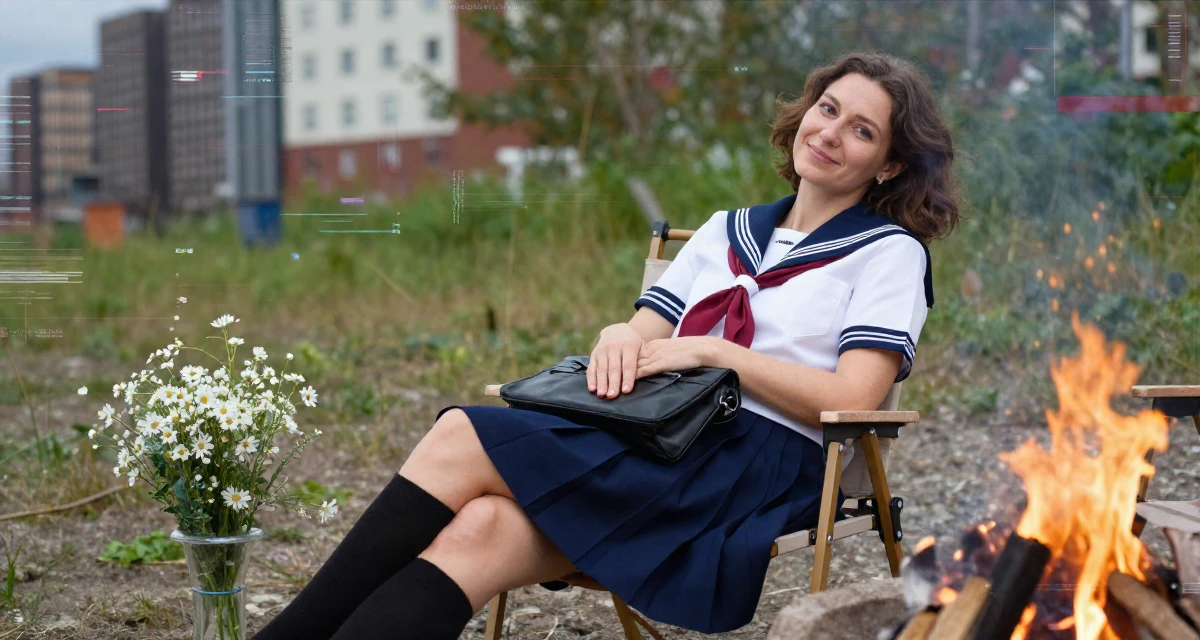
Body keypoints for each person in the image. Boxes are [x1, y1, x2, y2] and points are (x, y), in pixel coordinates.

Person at [253, 50, 962, 639]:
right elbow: (643, 334)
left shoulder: (887, 254)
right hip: (659, 438)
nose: (832, 132)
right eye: (828, 108)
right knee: (483, 532)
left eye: (863, 131)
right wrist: (618, 335)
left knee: (461, 434)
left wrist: (719, 354)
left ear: (890, 166)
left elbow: (854, 397)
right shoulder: (726, 230)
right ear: (805, 113)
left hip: (755, 466)